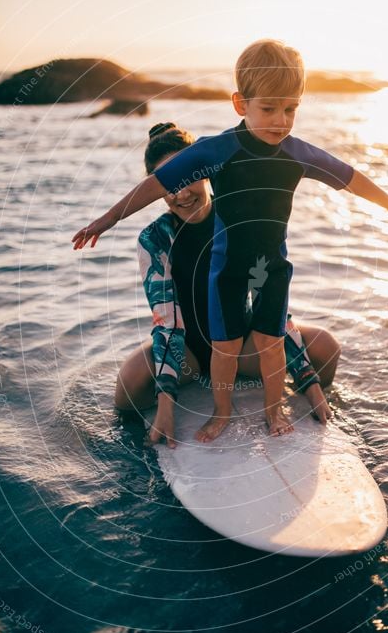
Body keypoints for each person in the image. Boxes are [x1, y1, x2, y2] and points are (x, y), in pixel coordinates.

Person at [73, 39, 388, 443]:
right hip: (214, 300)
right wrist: (105, 221)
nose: (280, 121)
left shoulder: (297, 154)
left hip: (267, 278)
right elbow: (155, 186)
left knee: (278, 342)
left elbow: (348, 177)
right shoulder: (215, 155)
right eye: (269, 109)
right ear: (241, 104)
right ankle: (214, 414)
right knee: (182, 366)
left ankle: (275, 410)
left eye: (290, 109)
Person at [115, 122, 339, 449]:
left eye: (187, 177)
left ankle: (306, 398)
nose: (181, 193)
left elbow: (269, 302)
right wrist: (166, 402)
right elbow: (166, 321)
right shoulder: (155, 239)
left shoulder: (237, 217)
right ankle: (142, 442)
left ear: (205, 171)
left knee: (326, 347)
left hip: (242, 347)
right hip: (189, 357)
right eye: (168, 184)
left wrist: (309, 382)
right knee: (128, 384)